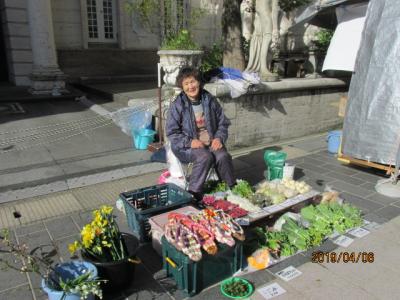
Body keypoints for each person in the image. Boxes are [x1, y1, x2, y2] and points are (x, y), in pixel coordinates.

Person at [166, 67, 235, 201]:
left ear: (199, 82)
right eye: (186, 84)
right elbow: (172, 132)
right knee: (205, 157)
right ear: (182, 87)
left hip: (210, 142)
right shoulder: (178, 105)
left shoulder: (209, 100)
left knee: (223, 156)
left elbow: (223, 123)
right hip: (186, 146)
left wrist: (219, 138)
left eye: (193, 82)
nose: (190, 86)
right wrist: (190, 142)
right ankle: (194, 194)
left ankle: (231, 188)